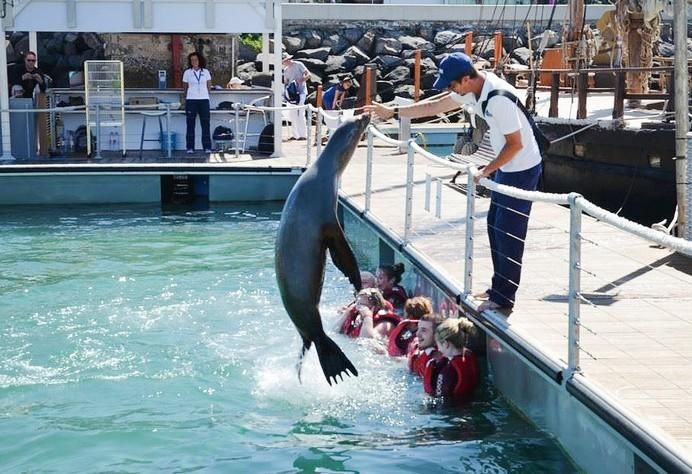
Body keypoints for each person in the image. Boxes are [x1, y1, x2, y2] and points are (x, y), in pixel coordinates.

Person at [365, 52, 542, 312]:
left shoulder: (497, 100)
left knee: (509, 233)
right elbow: (436, 105)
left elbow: (516, 145)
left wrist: (486, 170)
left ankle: (504, 297)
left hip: (521, 168)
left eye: (451, 84)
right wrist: (393, 112)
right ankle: (498, 286)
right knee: (495, 226)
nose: (450, 89)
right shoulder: (472, 88)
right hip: (507, 166)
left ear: (467, 79)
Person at [423, 317, 480, 400]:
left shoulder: (447, 371)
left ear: (445, 344)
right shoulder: (469, 357)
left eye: (438, 345)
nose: (438, 349)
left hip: (453, 409)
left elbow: (442, 403)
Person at [182, 52, 213, 154]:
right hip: (191, 100)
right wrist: (187, 97)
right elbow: (185, 87)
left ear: (200, 60)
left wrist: (206, 94)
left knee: (205, 124)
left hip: (204, 100)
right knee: (190, 124)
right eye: (192, 60)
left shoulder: (206, 72)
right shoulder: (187, 72)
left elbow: (209, 85)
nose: (194, 62)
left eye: (195, 59)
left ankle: (207, 147)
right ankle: (190, 147)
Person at [407, 312, 445, 377]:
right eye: (418, 329)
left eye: (423, 330)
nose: (417, 334)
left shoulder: (439, 364)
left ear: (437, 335)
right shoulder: (419, 351)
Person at [282, 52, 309, 140]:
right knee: (292, 114)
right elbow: (286, 83)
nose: (285, 62)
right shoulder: (285, 70)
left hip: (301, 92)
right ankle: (295, 135)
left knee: (300, 112)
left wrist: (302, 80)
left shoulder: (298, 64)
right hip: (292, 94)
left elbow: (308, 74)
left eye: (286, 60)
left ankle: (303, 135)